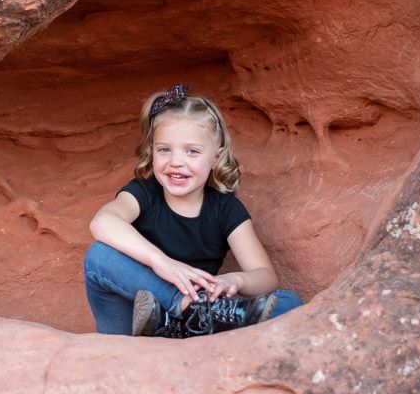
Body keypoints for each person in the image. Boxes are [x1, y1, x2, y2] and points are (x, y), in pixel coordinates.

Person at [83, 84, 303, 337]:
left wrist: (235, 281)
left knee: (289, 303)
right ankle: (187, 308)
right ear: (151, 152)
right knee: (99, 256)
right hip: (132, 323)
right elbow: (102, 222)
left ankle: (187, 319)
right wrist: (162, 264)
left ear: (216, 158)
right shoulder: (145, 193)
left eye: (192, 151)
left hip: (202, 319)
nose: (176, 161)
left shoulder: (224, 207)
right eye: (164, 149)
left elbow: (265, 277)